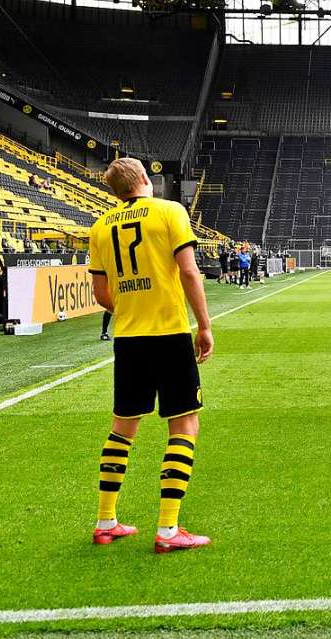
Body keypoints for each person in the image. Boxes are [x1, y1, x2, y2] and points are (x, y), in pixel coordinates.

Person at [87, 157, 213, 553]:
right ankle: (168, 530)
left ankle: (106, 521)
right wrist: (205, 325)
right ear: (145, 179)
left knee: (122, 428)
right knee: (184, 425)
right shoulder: (170, 211)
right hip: (169, 333)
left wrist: (129, 308)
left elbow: (100, 294)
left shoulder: (99, 226)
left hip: (128, 338)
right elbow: (189, 272)